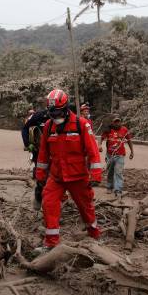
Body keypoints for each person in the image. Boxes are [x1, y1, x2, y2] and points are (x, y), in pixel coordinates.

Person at [34, 89, 102, 252]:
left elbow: (93, 151)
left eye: (57, 111)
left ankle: (94, 234)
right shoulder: (49, 126)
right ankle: (51, 242)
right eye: (52, 112)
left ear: (65, 107)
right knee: (48, 203)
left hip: (78, 176)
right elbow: (43, 153)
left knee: (86, 207)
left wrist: (96, 174)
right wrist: (40, 174)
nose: (55, 115)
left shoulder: (81, 125)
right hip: (56, 176)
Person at [21, 108, 50, 210]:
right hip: (39, 151)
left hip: (57, 152)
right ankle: (38, 199)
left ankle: (55, 202)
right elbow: (25, 128)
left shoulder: (66, 117)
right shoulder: (38, 115)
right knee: (41, 177)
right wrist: (28, 144)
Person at [99, 115, 134, 197]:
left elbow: (129, 140)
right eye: (116, 122)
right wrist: (99, 145)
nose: (118, 123)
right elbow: (101, 137)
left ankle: (118, 189)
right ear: (112, 123)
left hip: (120, 155)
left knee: (118, 172)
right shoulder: (108, 130)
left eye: (119, 121)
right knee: (110, 172)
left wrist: (132, 152)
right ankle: (109, 187)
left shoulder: (124, 129)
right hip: (110, 155)